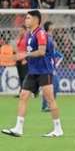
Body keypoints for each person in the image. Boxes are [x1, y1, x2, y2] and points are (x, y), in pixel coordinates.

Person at [2, 10, 63, 138]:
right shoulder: (29, 34)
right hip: (33, 71)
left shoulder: (40, 33)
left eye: (28, 18)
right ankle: (18, 128)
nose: (26, 20)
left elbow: (41, 52)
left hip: (44, 70)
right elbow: (29, 52)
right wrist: (20, 57)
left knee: (50, 99)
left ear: (36, 20)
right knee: (23, 95)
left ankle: (58, 129)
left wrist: (25, 55)